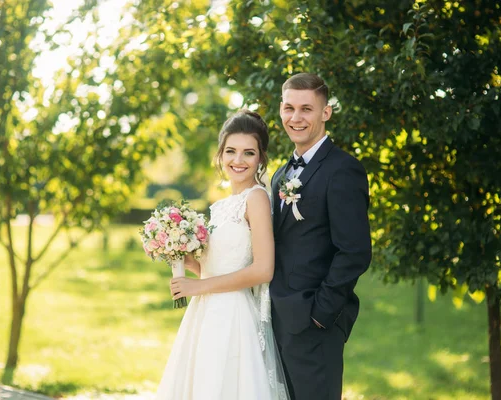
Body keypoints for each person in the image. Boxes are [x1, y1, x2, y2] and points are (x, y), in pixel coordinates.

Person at [155, 110, 290, 400]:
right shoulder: (218, 207)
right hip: (205, 312)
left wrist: (198, 287)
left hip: (233, 315)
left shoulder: (256, 198)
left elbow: (263, 270)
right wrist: (173, 250)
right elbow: (214, 267)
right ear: (220, 154)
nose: (238, 161)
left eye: (248, 153)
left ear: (261, 159)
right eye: (231, 151)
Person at [269, 73, 372, 400]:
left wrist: (320, 314)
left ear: (325, 113)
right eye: (289, 108)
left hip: (315, 322)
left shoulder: (343, 170)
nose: (295, 118)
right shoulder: (281, 174)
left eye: (306, 109)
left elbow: (354, 252)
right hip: (276, 320)